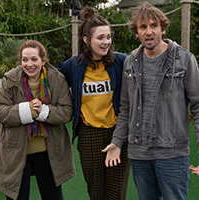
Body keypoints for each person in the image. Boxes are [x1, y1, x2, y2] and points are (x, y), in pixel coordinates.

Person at [103, 1, 199, 200]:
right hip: (139, 154)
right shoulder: (130, 62)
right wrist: (117, 141)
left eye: (154, 26)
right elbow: (126, 107)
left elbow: (198, 107)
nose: (149, 32)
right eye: (143, 27)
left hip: (172, 153)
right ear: (136, 33)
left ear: (163, 29)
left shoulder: (185, 59)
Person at [58, 6, 130, 200]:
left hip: (118, 133)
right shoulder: (73, 65)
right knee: (96, 193)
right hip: (89, 135)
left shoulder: (122, 61)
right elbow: (51, 79)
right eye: (100, 38)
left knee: (116, 194)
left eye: (108, 37)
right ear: (86, 40)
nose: (106, 42)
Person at [0, 40, 75, 200]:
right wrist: (27, 110)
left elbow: (67, 111)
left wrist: (43, 111)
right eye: (25, 59)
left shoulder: (56, 79)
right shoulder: (10, 79)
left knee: (53, 196)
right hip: (16, 150)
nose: (29, 64)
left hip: (48, 152)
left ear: (43, 60)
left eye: (34, 59)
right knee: (17, 196)